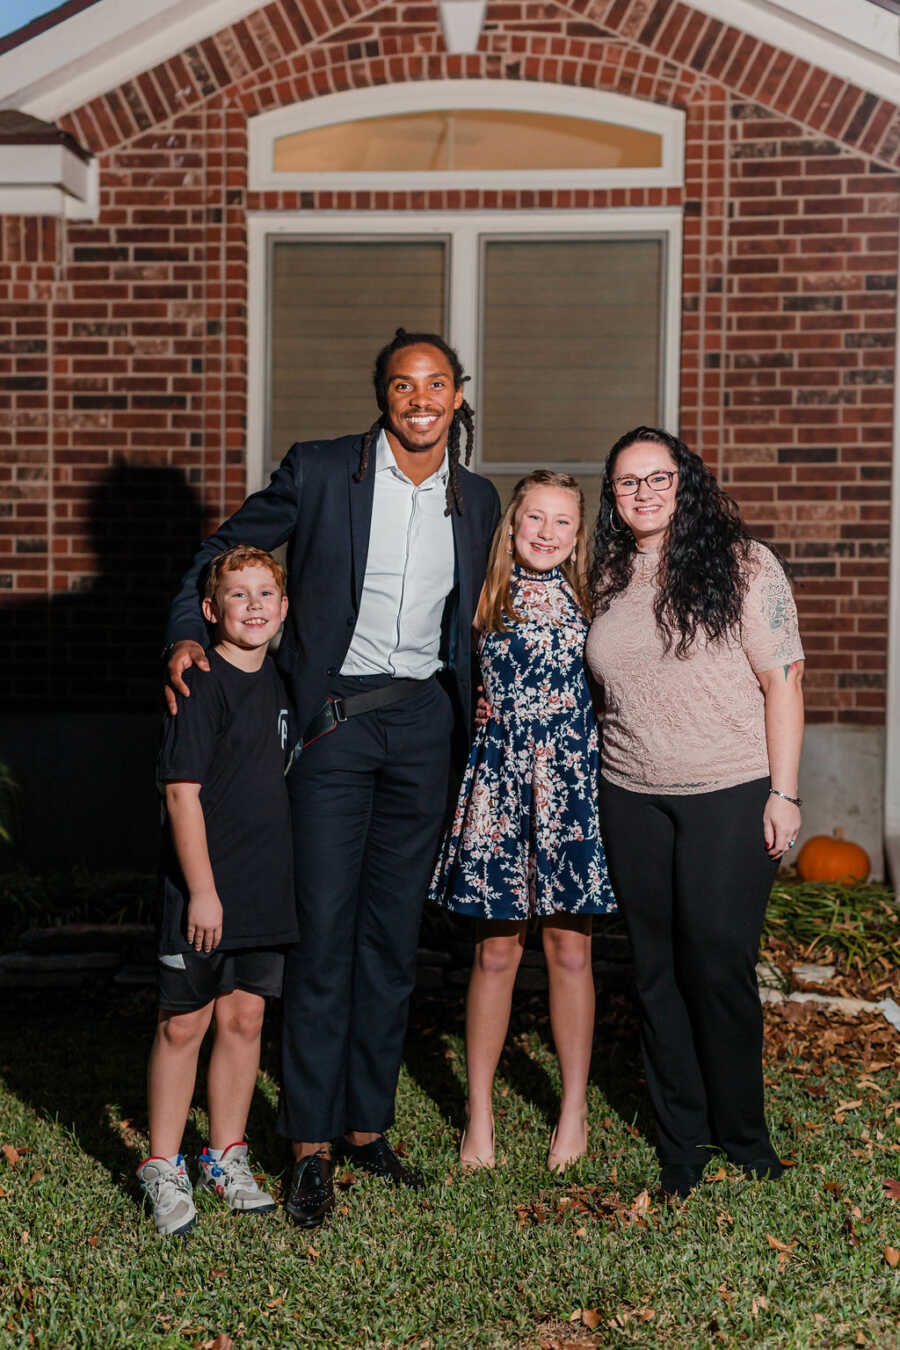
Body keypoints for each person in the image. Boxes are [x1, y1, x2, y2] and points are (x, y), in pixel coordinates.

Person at [163, 330, 500, 1230]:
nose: (419, 398)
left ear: (458, 396)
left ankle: (365, 1125)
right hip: (335, 726)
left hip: (426, 725)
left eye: (436, 384)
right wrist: (183, 636)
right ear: (382, 395)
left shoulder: (477, 497)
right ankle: (308, 1142)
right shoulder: (320, 472)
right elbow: (221, 549)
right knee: (323, 936)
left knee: (391, 941)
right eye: (402, 384)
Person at [584, 426, 804, 1200]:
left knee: (717, 962)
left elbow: (783, 683)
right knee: (655, 971)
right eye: (626, 483)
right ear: (612, 498)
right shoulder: (604, 572)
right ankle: (683, 1141)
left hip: (731, 787)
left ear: (686, 482)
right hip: (631, 792)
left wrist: (784, 792)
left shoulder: (744, 563)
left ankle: (744, 1136)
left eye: (657, 477)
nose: (643, 492)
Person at [431, 471, 616, 1174]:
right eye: (534, 518)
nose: (546, 532)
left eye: (561, 522)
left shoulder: (596, 600)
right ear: (512, 525)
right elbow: (447, 674)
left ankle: (573, 1109)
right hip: (500, 786)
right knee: (497, 952)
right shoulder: (483, 594)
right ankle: (479, 1114)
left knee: (571, 952)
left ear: (578, 535)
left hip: (571, 789)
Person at [138, 545, 298, 1236]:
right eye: (239, 595)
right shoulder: (198, 683)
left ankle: (226, 1153)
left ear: (284, 608)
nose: (255, 605)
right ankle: (163, 1165)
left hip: (265, 886)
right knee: (185, 1024)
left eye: (267, 593)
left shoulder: (283, 682)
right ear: (210, 611)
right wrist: (202, 891)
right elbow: (181, 794)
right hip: (205, 890)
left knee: (245, 1021)